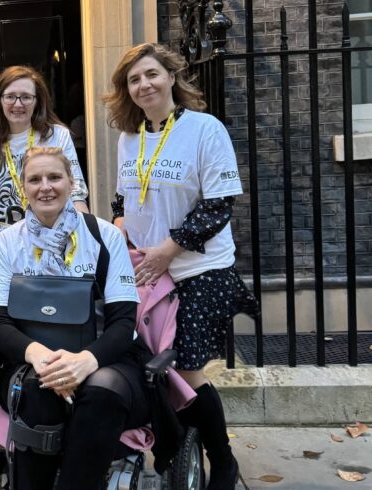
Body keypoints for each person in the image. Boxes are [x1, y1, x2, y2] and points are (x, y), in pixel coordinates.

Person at [105, 42, 254, 489]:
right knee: (152, 371)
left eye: (151, 74)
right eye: (133, 79)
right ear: (126, 90)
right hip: (148, 273)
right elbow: (123, 198)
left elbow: (218, 204)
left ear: (172, 77)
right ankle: (178, 454)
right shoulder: (128, 138)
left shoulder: (205, 129)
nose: (143, 84)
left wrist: (168, 249)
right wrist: (121, 234)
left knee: (186, 370)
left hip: (198, 270)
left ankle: (222, 461)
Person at [0, 146, 145, 490]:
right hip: (34, 359)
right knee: (35, 389)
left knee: (103, 391)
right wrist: (42, 358)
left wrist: (85, 362)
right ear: (22, 188)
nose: (46, 186)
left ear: (71, 183)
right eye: (35, 179)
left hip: (105, 356)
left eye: (55, 177)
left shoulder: (105, 237)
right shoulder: (5, 244)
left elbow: (123, 323)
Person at [0, 66, 89, 328]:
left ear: (37, 101)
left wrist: (87, 237)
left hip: (48, 246)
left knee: (46, 327)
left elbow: (75, 189)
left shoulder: (55, 135)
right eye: (10, 96)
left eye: (26, 97)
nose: (17, 104)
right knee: (2, 332)